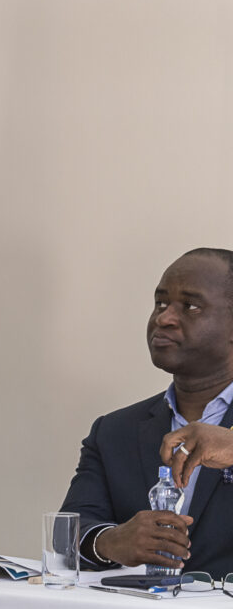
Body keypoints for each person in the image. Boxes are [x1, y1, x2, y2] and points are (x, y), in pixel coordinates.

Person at [60, 248, 233, 579]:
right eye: (160, 303)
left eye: (190, 306)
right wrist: (109, 542)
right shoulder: (113, 431)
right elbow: (69, 533)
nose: (164, 318)